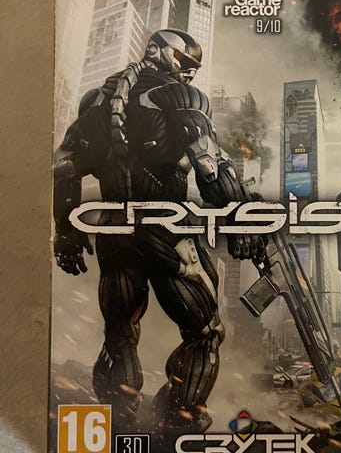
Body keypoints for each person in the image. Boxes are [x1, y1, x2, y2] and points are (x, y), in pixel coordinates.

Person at [53, 29, 266, 439]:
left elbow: (65, 168)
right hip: (167, 234)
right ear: (159, 52)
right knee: (205, 332)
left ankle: (118, 423)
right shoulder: (181, 97)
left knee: (119, 335)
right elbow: (209, 165)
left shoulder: (96, 102)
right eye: (185, 61)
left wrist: (65, 232)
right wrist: (240, 218)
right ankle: (178, 421)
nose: (191, 71)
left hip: (115, 234)